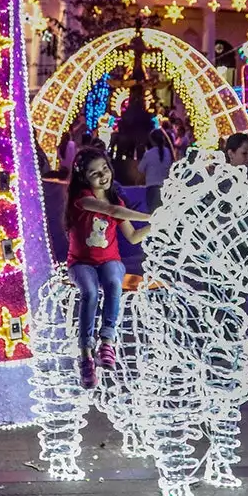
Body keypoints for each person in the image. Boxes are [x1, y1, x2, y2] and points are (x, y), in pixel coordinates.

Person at [65, 148, 153, 389]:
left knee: (114, 281)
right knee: (90, 292)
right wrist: (150, 217)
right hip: (81, 263)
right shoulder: (82, 199)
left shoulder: (116, 200)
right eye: (94, 173)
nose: (102, 176)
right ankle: (85, 353)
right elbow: (112, 212)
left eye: (105, 169)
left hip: (108, 261)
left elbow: (133, 236)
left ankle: (107, 341)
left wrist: (159, 223)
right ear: (84, 178)